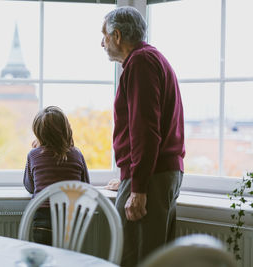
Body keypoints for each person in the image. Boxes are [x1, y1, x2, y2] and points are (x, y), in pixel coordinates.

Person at [101, 6, 185, 267]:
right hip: (156, 175)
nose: (100, 43)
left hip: (152, 179)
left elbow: (145, 131)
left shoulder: (140, 62)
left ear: (116, 36)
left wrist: (137, 188)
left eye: (103, 35)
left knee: (136, 258)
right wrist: (128, 175)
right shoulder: (151, 59)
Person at [23, 106, 90, 245]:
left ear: (38, 133)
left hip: (43, 221)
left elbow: (29, 187)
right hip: (71, 221)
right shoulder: (77, 154)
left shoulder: (33, 155)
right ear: (66, 129)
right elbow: (85, 186)